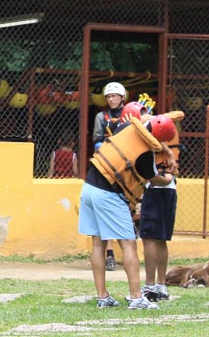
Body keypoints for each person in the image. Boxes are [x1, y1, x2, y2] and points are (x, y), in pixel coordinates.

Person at [79, 113, 177, 310]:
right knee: (128, 244)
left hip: (88, 187)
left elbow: (148, 119)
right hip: (109, 193)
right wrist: (169, 177)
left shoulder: (125, 128)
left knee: (98, 244)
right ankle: (136, 298)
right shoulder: (146, 155)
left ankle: (103, 297)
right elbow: (155, 178)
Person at [140, 114, 181, 303]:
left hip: (157, 188)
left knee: (149, 238)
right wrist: (171, 155)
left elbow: (156, 176)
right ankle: (161, 285)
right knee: (161, 238)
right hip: (169, 190)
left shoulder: (148, 139)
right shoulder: (169, 140)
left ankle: (149, 286)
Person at [92, 82, 127, 271]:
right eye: (109, 96)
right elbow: (97, 140)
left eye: (114, 96)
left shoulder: (129, 114)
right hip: (107, 164)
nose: (111, 99)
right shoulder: (101, 117)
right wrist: (108, 149)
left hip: (126, 166)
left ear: (122, 97)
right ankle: (109, 253)